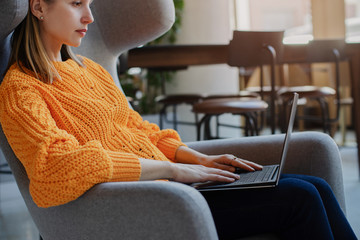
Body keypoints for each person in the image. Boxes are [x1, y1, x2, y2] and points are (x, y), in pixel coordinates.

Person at [0, 0, 356, 239]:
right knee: (301, 198)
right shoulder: (21, 89)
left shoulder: (88, 69)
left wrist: (195, 158)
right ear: (39, 6)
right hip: (149, 199)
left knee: (316, 186)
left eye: (89, 4)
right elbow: (55, 169)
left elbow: (140, 129)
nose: (90, 17)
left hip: (180, 183)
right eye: (76, 2)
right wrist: (173, 170)